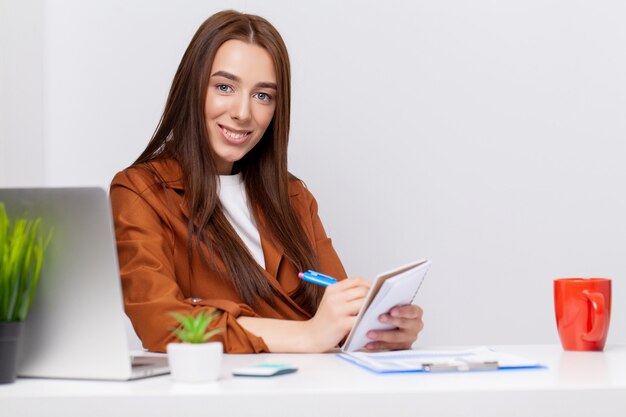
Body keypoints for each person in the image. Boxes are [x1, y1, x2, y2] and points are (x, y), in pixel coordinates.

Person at [110, 10, 424, 353]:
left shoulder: (294, 196)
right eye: (224, 87)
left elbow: (335, 315)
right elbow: (161, 323)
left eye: (263, 96)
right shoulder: (140, 192)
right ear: (193, 88)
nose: (243, 112)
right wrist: (308, 334)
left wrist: (376, 328)